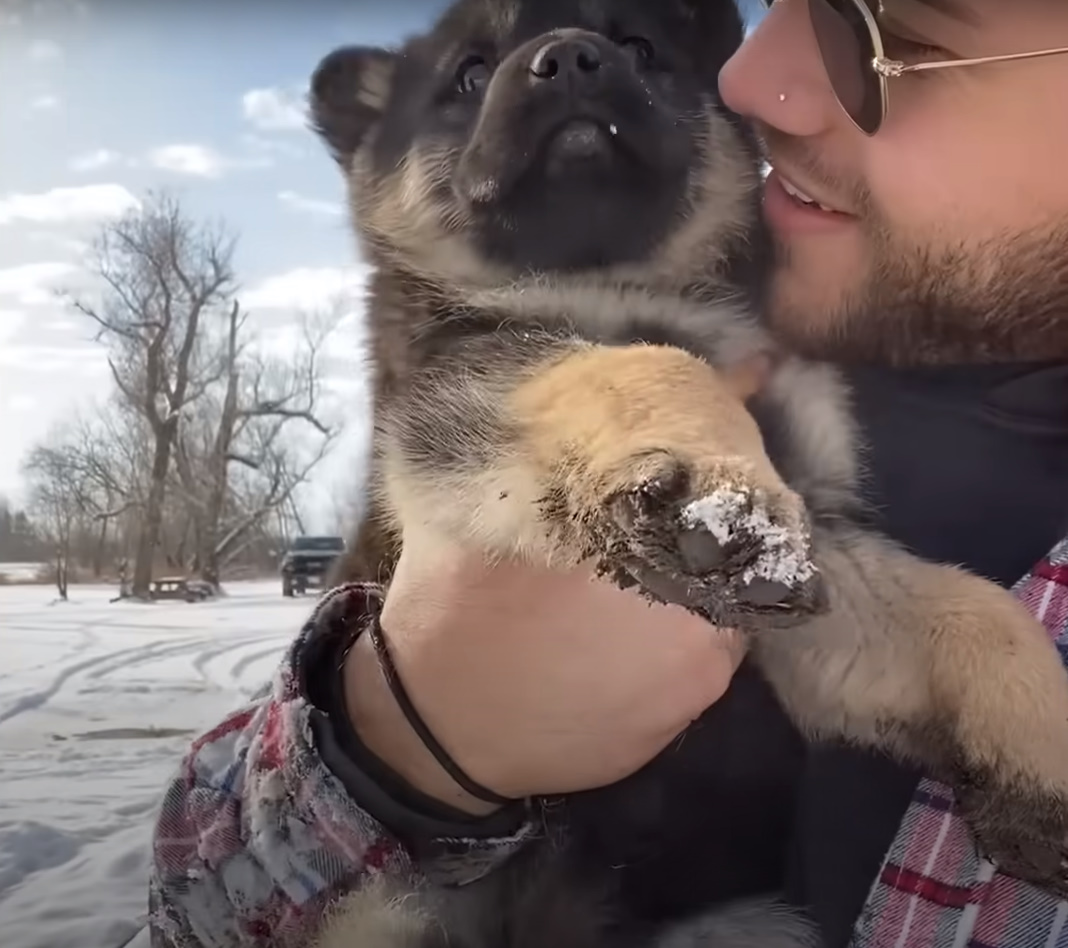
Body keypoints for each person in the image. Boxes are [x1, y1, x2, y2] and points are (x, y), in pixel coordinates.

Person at [147, 2, 1068, 947]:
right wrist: (394, 754)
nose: (754, 81)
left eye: (898, 37)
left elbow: (833, 612)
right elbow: (192, 903)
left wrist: (992, 685)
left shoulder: (818, 351)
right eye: (468, 79)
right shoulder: (812, 331)